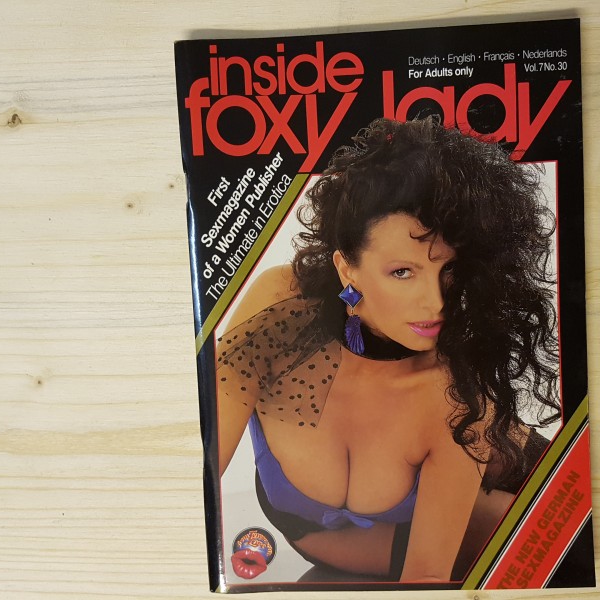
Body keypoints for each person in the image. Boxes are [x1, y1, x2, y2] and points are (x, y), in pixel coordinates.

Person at [216, 116, 559, 582]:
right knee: (522, 525)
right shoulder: (281, 307)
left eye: (448, 270)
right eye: (402, 272)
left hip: (465, 432)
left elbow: (425, 582)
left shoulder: (453, 394)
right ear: (347, 268)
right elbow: (195, 474)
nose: (435, 302)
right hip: (318, 530)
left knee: (569, 509)